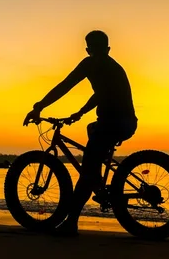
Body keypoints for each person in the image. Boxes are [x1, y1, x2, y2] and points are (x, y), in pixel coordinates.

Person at [23, 30, 138, 236]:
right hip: (126, 123)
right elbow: (101, 94)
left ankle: (71, 222)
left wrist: (39, 106)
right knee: (91, 131)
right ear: (108, 48)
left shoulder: (90, 64)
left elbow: (65, 86)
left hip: (112, 123)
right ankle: (98, 181)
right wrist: (79, 113)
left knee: (87, 172)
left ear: (88, 49)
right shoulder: (113, 67)